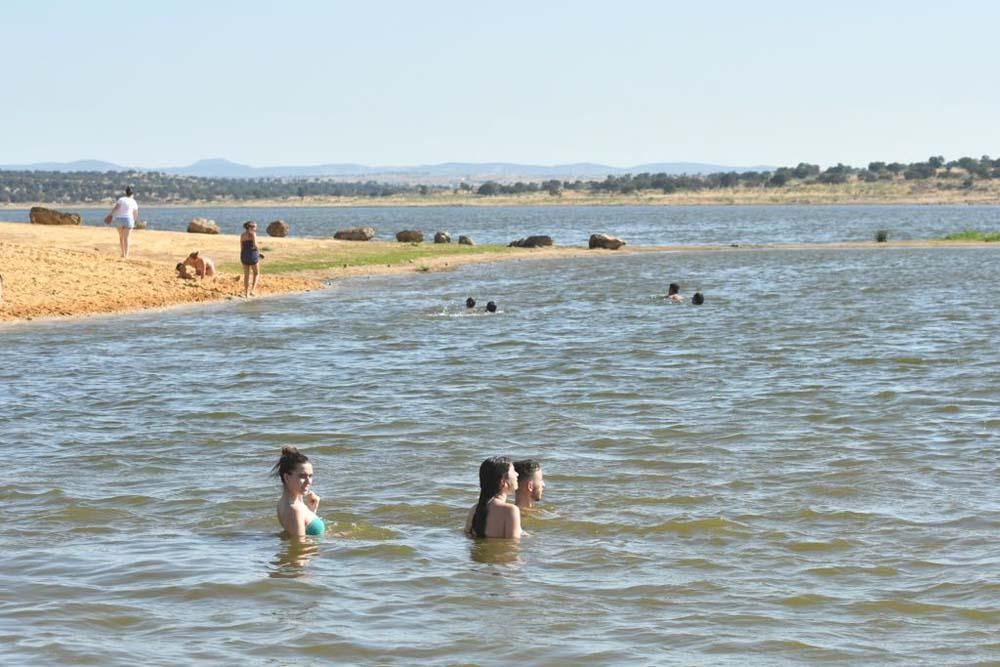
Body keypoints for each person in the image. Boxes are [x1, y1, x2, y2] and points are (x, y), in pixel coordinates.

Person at [271, 446, 325, 537]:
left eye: (310, 476)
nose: (309, 481)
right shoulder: (294, 510)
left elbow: (305, 529)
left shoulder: (291, 500)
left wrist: (312, 510)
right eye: (302, 476)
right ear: (287, 477)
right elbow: (300, 547)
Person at [464, 456, 521, 539]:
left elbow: (467, 537)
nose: (517, 474)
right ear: (502, 482)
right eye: (513, 471)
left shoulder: (474, 510)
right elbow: (513, 547)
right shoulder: (511, 510)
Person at [106, 185, 139, 258]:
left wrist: (111, 215)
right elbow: (135, 213)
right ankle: (126, 255)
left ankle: (122, 253)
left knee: (121, 237)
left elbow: (116, 208)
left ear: (126, 193)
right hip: (128, 219)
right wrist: (134, 221)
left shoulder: (121, 199)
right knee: (126, 238)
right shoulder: (133, 201)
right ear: (132, 194)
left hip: (119, 219)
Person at [240, 221, 262, 297]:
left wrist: (243, 255)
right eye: (254, 227)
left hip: (244, 255)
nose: (255, 228)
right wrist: (259, 253)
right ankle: (252, 290)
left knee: (246, 275)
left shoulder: (242, 235)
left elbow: (242, 247)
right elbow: (255, 245)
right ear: (250, 227)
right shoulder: (253, 234)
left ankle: (246, 294)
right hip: (252, 255)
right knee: (256, 273)